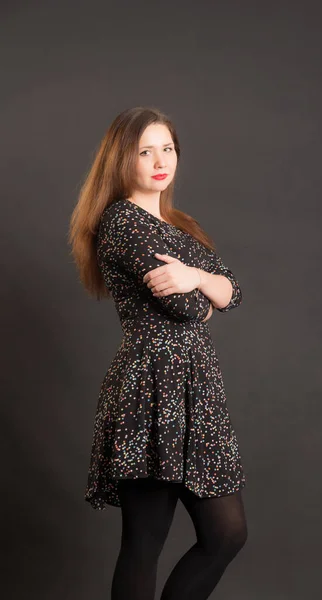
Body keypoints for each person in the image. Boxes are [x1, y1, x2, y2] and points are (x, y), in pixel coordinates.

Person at [69, 106, 248, 599]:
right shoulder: (122, 223)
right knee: (144, 542)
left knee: (226, 533)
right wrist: (205, 288)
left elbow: (234, 289)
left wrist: (198, 279)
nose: (158, 160)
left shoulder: (177, 224)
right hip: (150, 388)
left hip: (195, 389)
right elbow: (194, 308)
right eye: (143, 151)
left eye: (166, 148)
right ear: (120, 160)